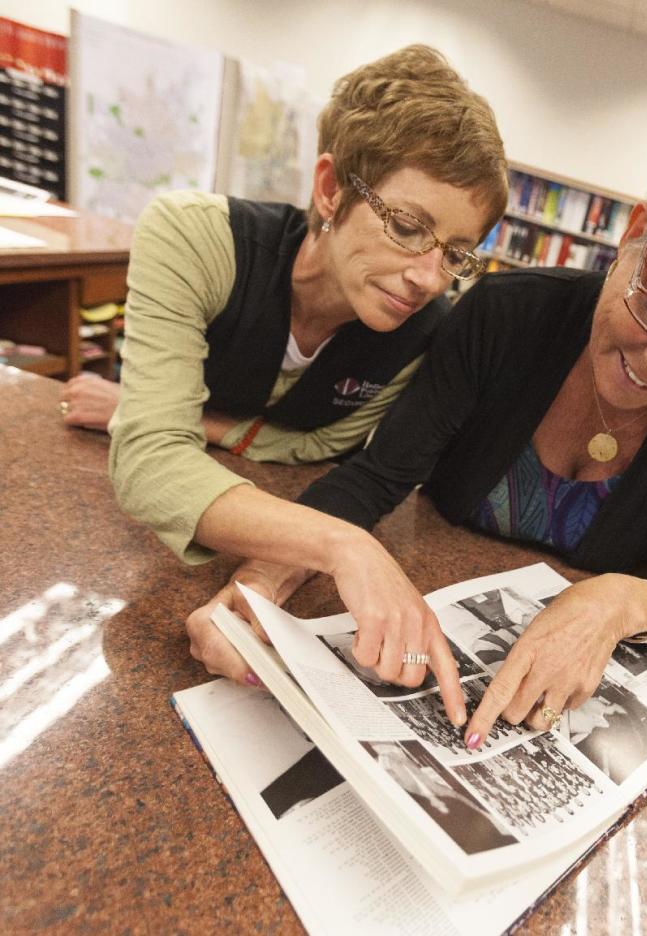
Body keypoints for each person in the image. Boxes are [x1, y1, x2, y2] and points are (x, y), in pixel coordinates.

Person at [188, 109, 647, 745]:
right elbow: (378, 477)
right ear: (637, 233)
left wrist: (618, 600)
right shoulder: (507, 315)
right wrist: (260, 589)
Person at [61, 45, 508, 718]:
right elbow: (150, 467)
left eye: (456, 253)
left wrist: (171, 419)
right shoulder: (195, 238)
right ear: (330, 187)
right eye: (408, 227)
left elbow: (315, 448)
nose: (430, 277)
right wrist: (343, 543)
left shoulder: (427, 336)